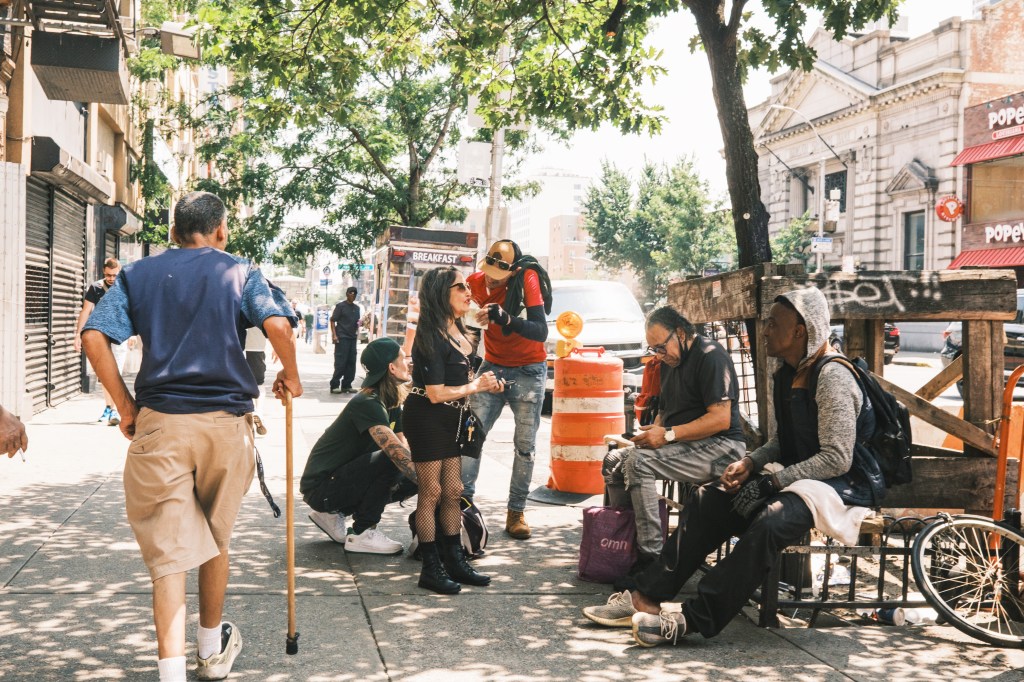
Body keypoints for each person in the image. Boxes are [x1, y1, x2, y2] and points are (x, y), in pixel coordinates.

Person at [582, 287, 882, 648]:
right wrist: (751, 462)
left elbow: (836, 458)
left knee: (768, 524)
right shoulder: (785, 372)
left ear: (800, 331)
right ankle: (646, 596)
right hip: (799, 477)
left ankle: (693, 619)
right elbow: (783, 440)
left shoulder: (832, 376)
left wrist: (772, 483)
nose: (766, 331)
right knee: (709, 500)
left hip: (837, 487)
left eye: (773, 324)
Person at [81, 191, 301, 682]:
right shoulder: (240, 271)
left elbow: (94, 336)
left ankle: (172, 673)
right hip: (225, 428)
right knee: (215, 540)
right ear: (221, 230)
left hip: (162, 425)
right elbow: (279, 325)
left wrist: (125, 406)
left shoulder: (138, 274)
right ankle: (210, 651)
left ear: (174, 233)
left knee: (169, 554)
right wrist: (292, 373)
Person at [603, 306, 746, 573]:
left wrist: (668, 435)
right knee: (614, 461)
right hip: (685, 445)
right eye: (653, 349)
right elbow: (665, 413)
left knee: (637, 463)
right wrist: (653, 432)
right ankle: (624, 548)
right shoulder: (669, 362)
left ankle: (652, 562)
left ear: (680, 333)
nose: (659, 354)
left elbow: (720, 419)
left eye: (661, 347)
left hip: (723, 448)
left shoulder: (711, 356)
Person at [404, 267, 501, 594]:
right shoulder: (429, 333)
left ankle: (454, 560)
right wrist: (476, 387)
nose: (467, 292)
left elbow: (466, 374)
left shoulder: (459, 328)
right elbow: (435, 392)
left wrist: (485, 383)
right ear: (440, 294)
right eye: (459, 287)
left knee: (454, 490)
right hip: (427, 417)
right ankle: (431, 567)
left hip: (451, 418)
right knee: (431, 492)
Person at [463, 239, 553, 540]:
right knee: (471, 437)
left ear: (512, 272)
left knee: (524, 447)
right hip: (492, 365)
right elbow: (468, 327)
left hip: (528, 370)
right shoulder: (474, 282)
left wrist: (505, 318)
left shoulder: (527, 279)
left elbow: (541, 330)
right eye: (488, 270)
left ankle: (516, 511)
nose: (490, 278)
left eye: (498, 275)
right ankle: (463, 508)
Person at [302, 337, 418, 554]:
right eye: (403, 358)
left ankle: (335, 513)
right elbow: (394, 451)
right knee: (393, 460)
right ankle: (362, 533)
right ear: (391, 367)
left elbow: (405, 446)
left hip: (336, 482)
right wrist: (434, 486)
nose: (408, 362)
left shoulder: (390, 401)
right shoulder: (368, 402)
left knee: (414, 469)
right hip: (320, 488)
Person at [75, 257, 132, 426]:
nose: (112, 278)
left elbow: (132, 310)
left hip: (120, 335)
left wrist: (134, 334)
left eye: (115, 275)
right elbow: (86, 311)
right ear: (103, 271)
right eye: (108, 275)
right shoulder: (96, 287)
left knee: (116, 374)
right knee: (104, 374)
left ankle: (113, 409)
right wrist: (78, 334)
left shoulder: (125, 287)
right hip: (99, 336)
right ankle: (110, 408)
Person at [330, 286, 361, 394]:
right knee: (340, 362)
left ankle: (347, 385)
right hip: (342, 338)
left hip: (352, 338)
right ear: (347, 294)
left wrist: (358, 328)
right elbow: (333, 320)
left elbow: (357, 322)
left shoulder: (357, 308)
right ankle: (334, 385)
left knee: (351, 362)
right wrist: (334, 335)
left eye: (354, 293)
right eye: (351, 293)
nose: (352, 295)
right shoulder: (340, 306)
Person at [243, 327, 269, 437]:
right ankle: (259, 412)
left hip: (236, 347)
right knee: (259, 383)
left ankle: (248, 412)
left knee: (243, 383)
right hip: (257, 347)